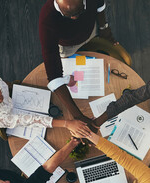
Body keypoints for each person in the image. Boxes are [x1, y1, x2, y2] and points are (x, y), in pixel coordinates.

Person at [39, 0, 118, 128]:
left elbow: (100, 6)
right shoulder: (47, 19)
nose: (75, 18)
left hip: (91, 30)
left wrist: (104, 28)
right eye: (68, 15)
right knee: (67, 58)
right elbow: (54, 76)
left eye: (79, 12)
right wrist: (78, 116)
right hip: (68, 45)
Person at [0, 66, 90, 137]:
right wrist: (67, 124)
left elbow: (3, 83)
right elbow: (28, 120)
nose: (1, 99)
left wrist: (9, 87)